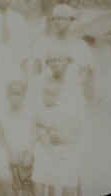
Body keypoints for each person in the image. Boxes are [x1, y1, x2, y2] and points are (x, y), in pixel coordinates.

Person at [31, 46, 85, 196]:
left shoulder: (74, 87)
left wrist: (64, 135)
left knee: (70, 157)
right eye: (52, 60)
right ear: (47, 63)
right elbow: (35, 114)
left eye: (60, 60)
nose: (56, 64)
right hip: (45, 137)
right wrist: (48, 132)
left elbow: (78, 119)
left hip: (68, 137)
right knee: (41, 155)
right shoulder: (41, 84)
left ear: (67, 62)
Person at [32, 4, 94, 99]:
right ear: (52, 21)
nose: (59, 22)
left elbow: (85, 72)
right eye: (56, 18)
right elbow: (36, 71)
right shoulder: (42, 43)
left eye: (64, 19)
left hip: (71, 94)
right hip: (47, 94)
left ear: (71, 21)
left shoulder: (80, 45)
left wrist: (74, 89)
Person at [0, 80, 33, 196]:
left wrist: (30, 154)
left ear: (24, 96)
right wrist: (10, 153)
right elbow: (0, 136)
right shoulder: (2, 115)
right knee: (14, 186)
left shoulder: (29, 112)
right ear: (7, 95)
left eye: (19, 94)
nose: (15, 97)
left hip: (27, 155)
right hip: (13, 156)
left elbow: (35, 134)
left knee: (27, 186)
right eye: (12, 94)